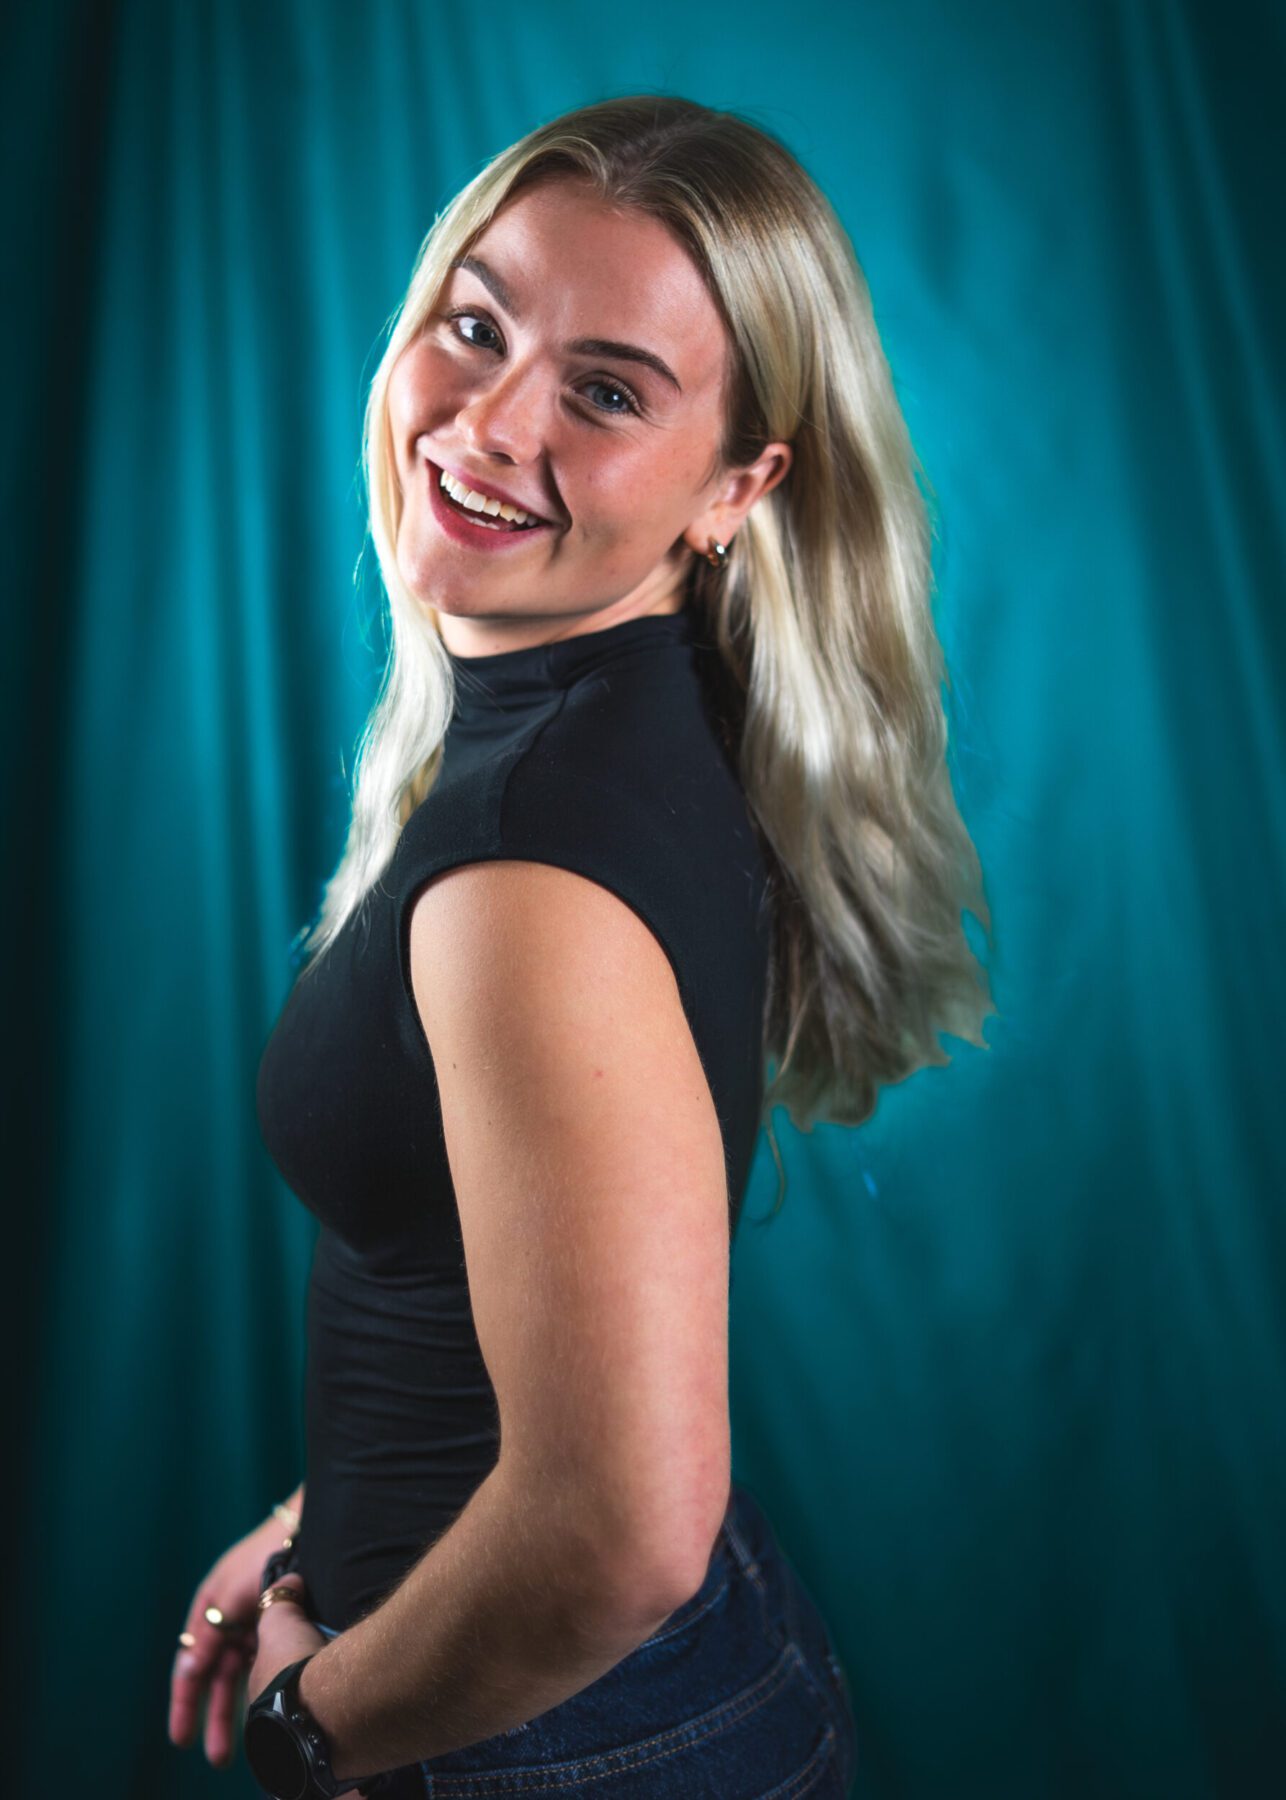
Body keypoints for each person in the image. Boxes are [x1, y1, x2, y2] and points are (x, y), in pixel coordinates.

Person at [168, 93, 993, 1799]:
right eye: (476, 328)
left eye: (606, 393)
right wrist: (329, 1522)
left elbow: (620, 1533)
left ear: (736, 485)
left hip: (552, 1738)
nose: (485, 425)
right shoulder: (634, 712)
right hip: (609, 1689)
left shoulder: (526, 878)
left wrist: (312, 1729)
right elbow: (505, 1308)